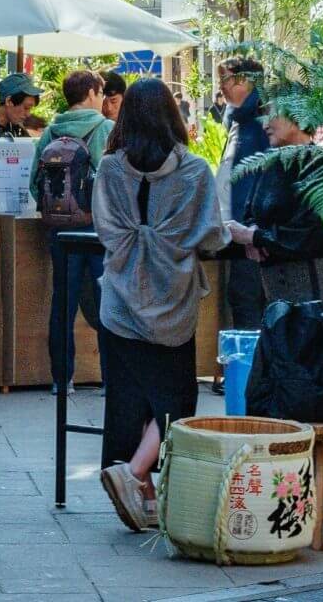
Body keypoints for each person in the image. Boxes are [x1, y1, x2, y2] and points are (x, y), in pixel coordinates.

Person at [92, 77, 225, 532]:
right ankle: (135, 475)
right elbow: (211, 235)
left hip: (119, 298)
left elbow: (105, 230)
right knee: (177, 398)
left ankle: (141, 491)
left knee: (127, 397)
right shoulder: (194, 171)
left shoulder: (110, 168)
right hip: (173, 298)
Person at [27, 69, 117, 394]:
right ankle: (111, 378)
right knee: (107, 302)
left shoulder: (51, 132)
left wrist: (59, 213)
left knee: (62, 304)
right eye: (101, 92)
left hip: (61, 233)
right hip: (98, 230)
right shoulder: (106, 129)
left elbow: (34, 185)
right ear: (91, 92)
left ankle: (61, 380)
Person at [228, 104, 323, 309]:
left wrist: (254, 237)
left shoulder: (318, 162)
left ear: (297, 115)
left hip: (315, 293)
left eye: (271, 115)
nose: (264, 124)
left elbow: (311, 231)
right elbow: (251, 211)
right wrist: (253, 233)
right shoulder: (269, 161)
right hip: (276, 295)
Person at [216, 58, 270, 329]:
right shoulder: (238, 120)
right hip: (236, 234)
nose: (221, 87)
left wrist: (253, 229)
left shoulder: (263, 121)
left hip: (252, 235)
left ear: (245, 80)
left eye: (225, 79)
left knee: (249, 305)